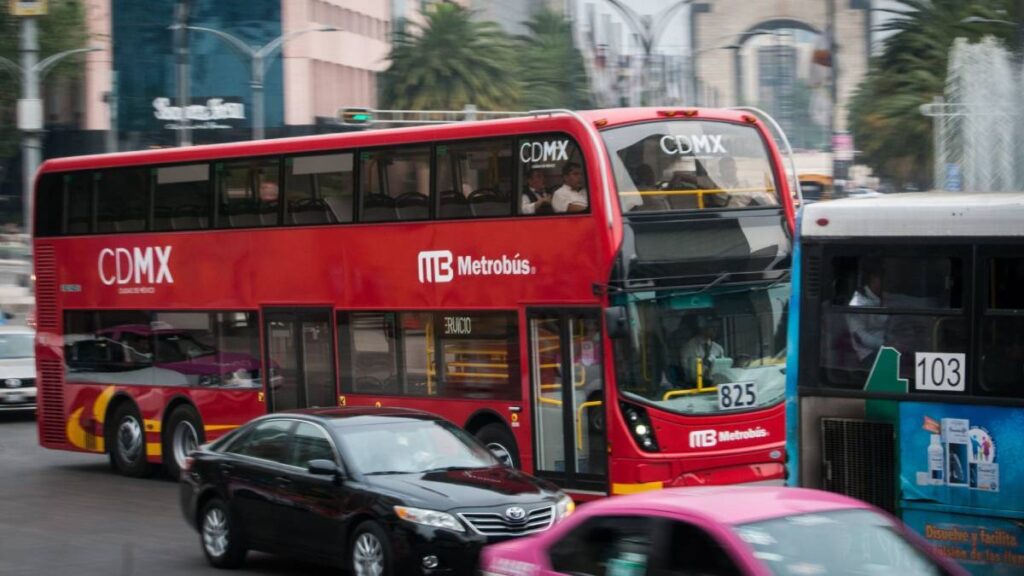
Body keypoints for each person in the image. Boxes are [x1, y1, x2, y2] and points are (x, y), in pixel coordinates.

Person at [847, 267, 886, 363]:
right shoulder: (858, 303)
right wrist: (886, 344)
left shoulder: (883, 297)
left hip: (886, 346)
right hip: (868, 354)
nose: (887, 283)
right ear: (873, 279)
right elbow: (859, 336)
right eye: (883, 279)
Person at [680, 320, 725, 385]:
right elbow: (686, 370)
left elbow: (722, 370)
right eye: (712, 327)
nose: (715, 330)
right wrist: (703, 367)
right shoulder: (689, 347)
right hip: (695, 386)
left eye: (717, 327)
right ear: (703, 328)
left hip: (715, 385)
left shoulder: (718, 348)